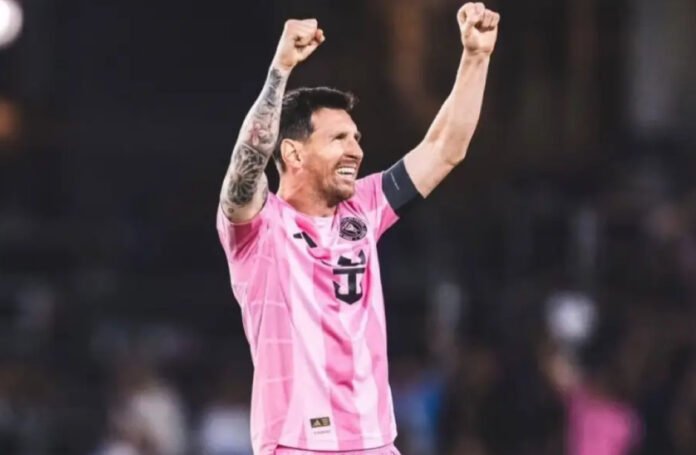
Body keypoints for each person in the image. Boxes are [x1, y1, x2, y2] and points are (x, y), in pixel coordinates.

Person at [216, 3, 499, 454]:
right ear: (293, 153)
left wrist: (476, 56)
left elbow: (446, 148)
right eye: (339, 139)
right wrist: (280, 70)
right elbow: (246, 161)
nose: (356, 150)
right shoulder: (258, 228)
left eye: (356, 138)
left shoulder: (365, 208)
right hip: (296, 443)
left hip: (375, 443)